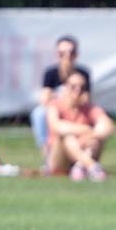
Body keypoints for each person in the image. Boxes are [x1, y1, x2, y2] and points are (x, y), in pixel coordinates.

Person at [31, 36, 91, 166]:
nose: (67, 57)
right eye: (62, 53)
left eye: (71, 52)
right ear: (57, 54)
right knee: (40, 113)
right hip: (57, 112)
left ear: (76, 54)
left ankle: (84, 158)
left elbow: (86, 100)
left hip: (76, 112)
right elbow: (44, 99)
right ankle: (48, 156)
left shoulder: (82, 74)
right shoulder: (51, 73)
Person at [45, 71, 114, 182]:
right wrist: (85, 130)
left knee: (97, 137)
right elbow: (56, 126)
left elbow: (108, 126)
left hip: (83, 151)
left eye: (82, 87)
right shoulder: (55, 104)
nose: (78, 90)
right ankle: (92, 167)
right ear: (66, 87)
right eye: (73, 86)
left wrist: (93, 134)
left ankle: (80, 165)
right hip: (59, 159)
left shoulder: (89, 107)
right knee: (66, 136)